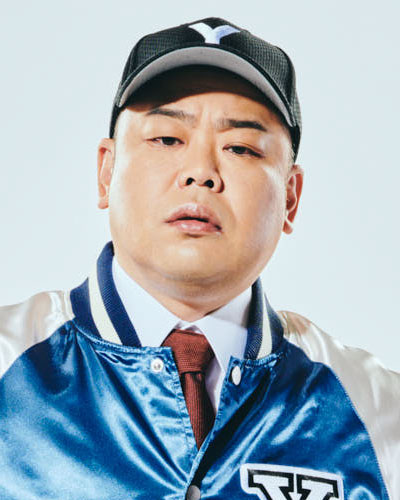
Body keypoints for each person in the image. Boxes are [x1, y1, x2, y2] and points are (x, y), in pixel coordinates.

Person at [0, 16, 398, 500]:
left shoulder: (377, 415)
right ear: (106, 172)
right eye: (167, 139)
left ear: (291, 198)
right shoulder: (9, 363)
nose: (200, 172)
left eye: (241, 148)